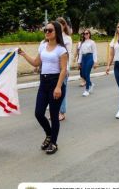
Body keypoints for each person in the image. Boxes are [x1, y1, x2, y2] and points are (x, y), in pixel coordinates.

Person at [18, 21, 67, 154]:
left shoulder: (61, 49)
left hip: (55, 82)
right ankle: (49, 134)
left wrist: (58, 87)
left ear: (56, 32)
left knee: (53, 115)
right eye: (45, 30)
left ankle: (54, 143)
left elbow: (63, 70)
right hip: (43, 82)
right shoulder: (43, 46)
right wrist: (23, 54)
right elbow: (36, 62)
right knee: (38, 113)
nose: (46, 32)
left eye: (49, 30)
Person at [56, 17, 72, 121]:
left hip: (63, 67)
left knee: (62, 91)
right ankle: (55, 112)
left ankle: (62, 112)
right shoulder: (53, 37)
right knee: (55, 90)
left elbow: (69, 54)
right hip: (53, 68)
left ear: (64, 26)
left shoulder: (67, 38)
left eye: (61, 24)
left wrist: (67, 68)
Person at [78, 29, 98, 97]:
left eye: (87, 33)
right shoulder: (82, 43)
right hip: (83, 58)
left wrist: (95, 62)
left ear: (89, 34)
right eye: (84, 33)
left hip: (90, 57)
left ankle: (87, 90)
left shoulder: (92, 42)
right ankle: (90, 84)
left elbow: (95, 52)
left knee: (87, 73)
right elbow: (80, 53)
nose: (85, 35)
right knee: (83, 74)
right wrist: (79, 62)